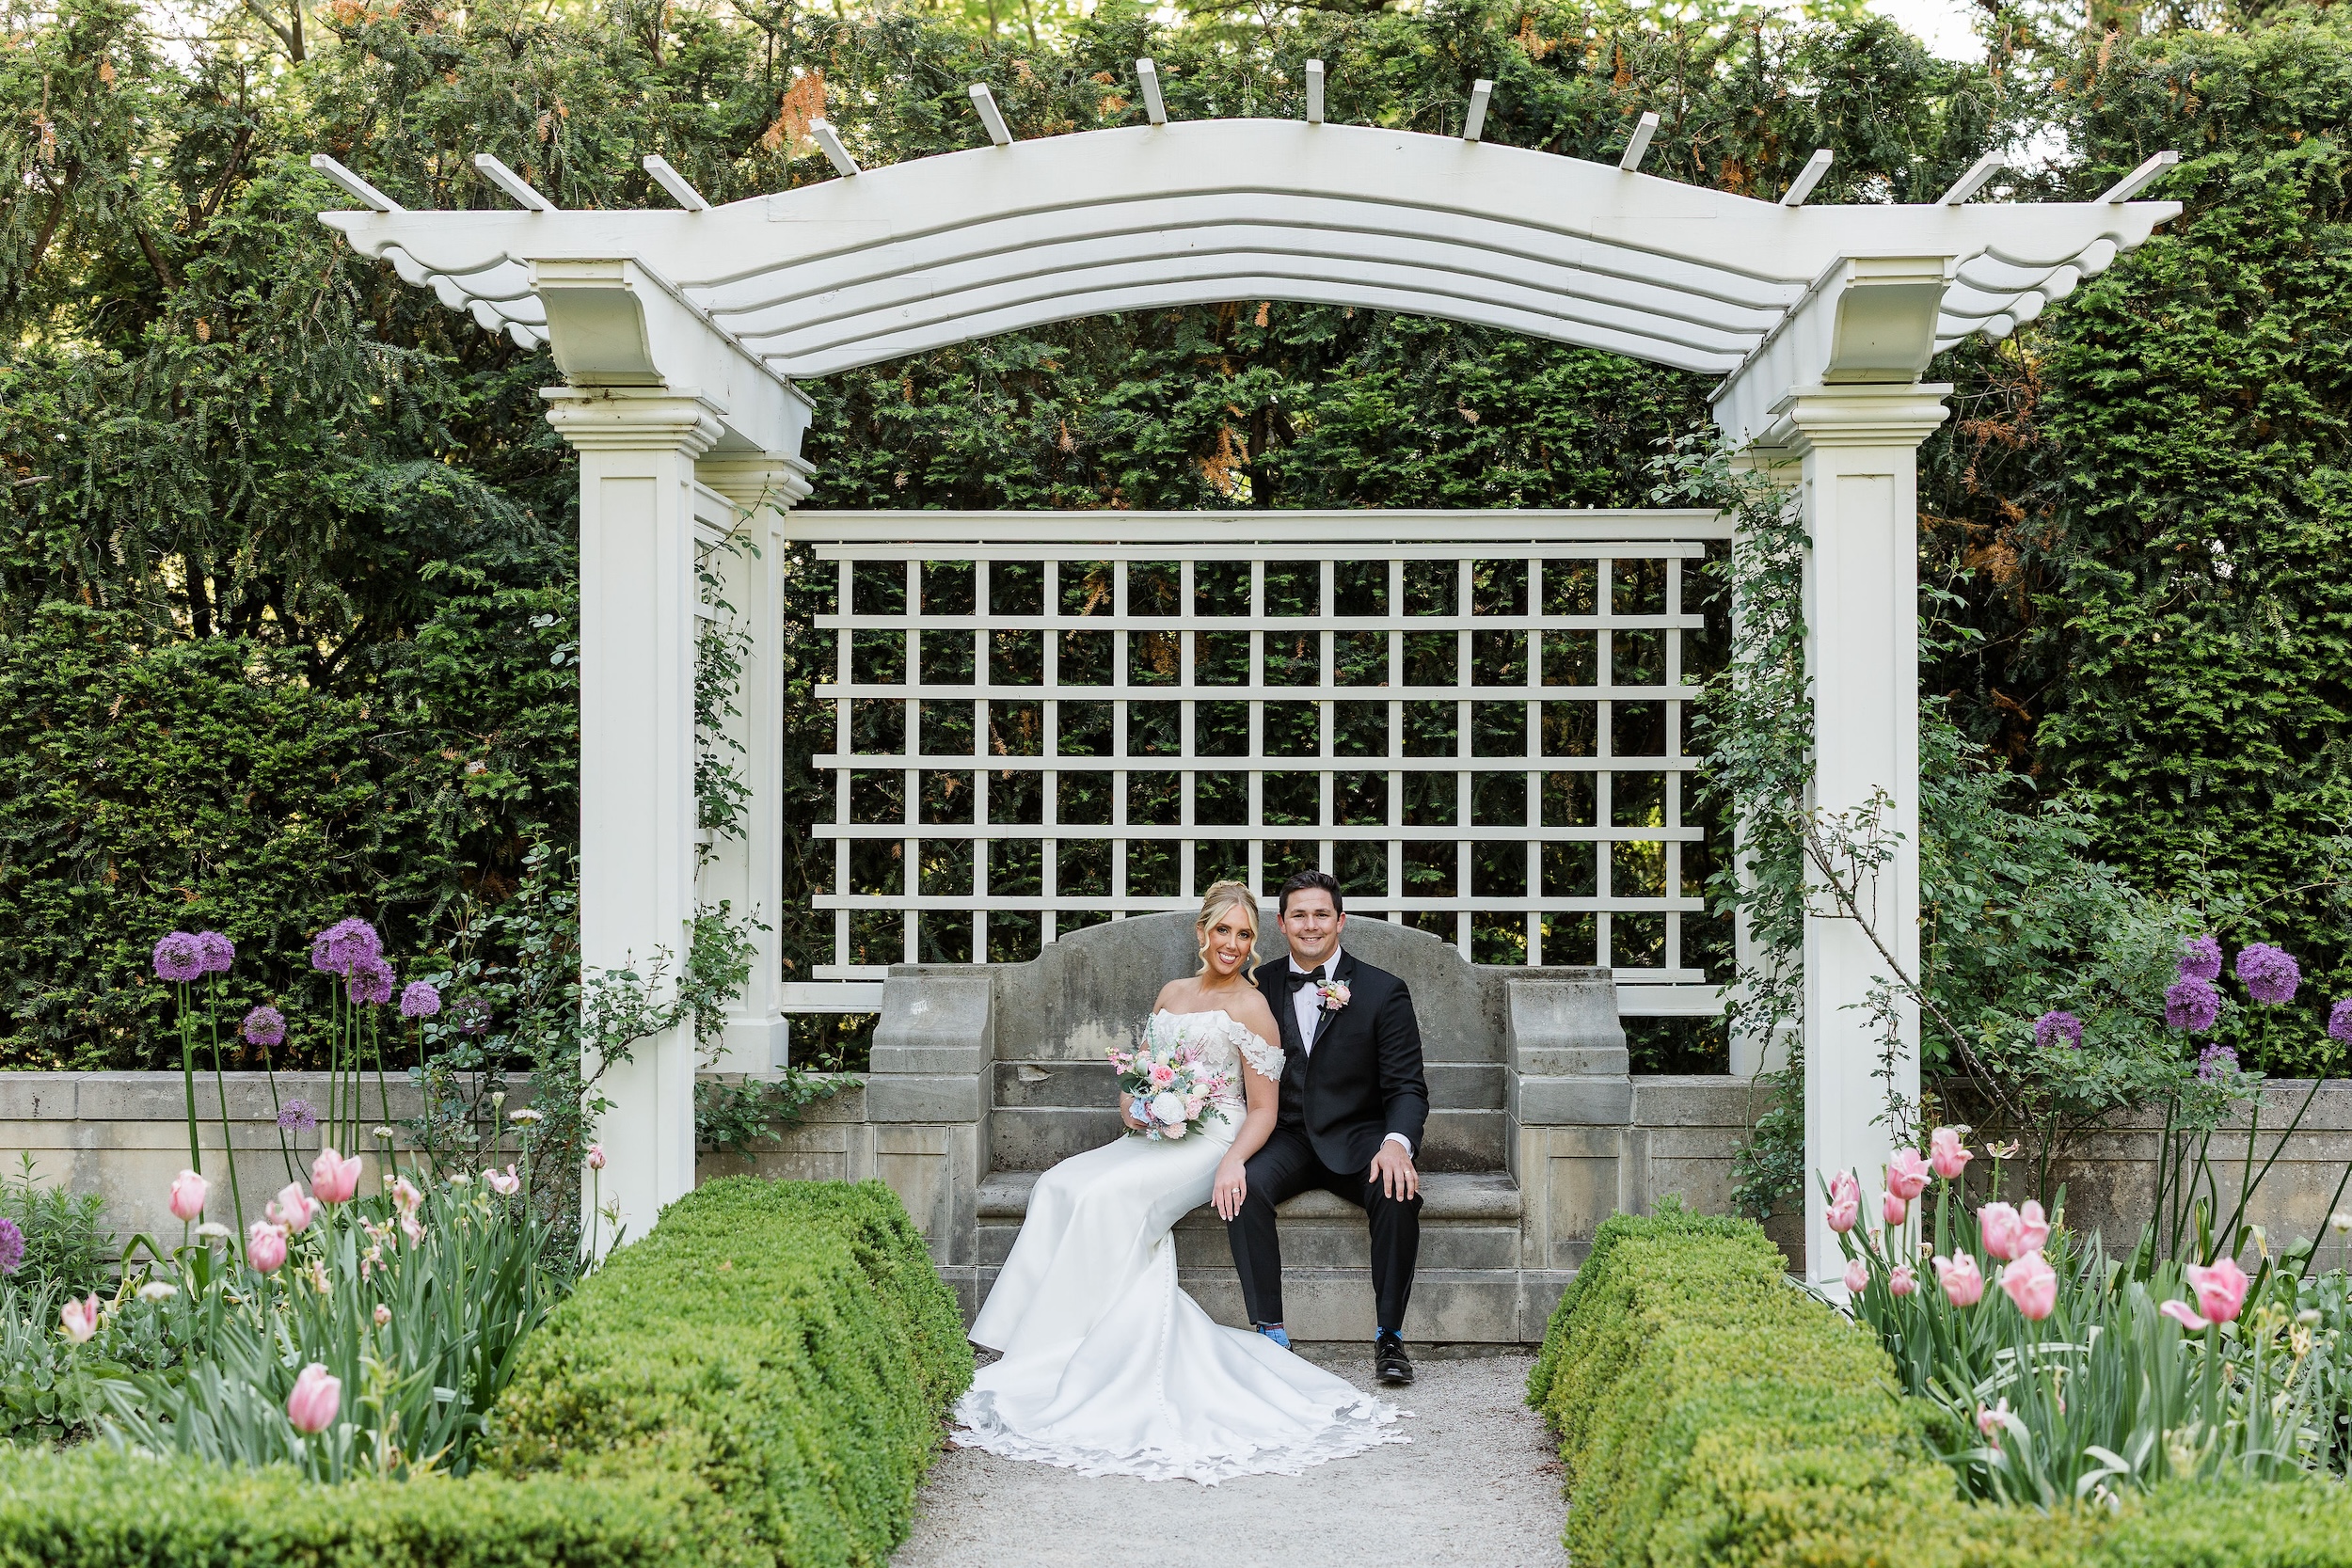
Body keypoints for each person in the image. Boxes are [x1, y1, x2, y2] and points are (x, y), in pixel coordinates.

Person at [954, 880, 1407, 1483]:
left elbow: (1273, 1105)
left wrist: (1235, 1160)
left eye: (1244, 935)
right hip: (1158, 1135)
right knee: (1059, 1184)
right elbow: (1141, 1075)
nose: (1234, 943)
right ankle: (1030, 1336)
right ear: (1203, 933)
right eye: (1225, 930)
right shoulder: (1176, 992)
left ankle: (1075, 1348)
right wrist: (1142, 1106)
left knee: (1107, 1196)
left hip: (1226, 1138)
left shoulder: (1266, 1000)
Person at [1227, 869, 1429, 1386]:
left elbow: (1407, 1088)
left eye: (1321, 914)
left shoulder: (1385, 992)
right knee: (1241, 1189)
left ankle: (1390, 1337)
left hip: (1360, 1138)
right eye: (1299, 915)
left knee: (1398, 1190)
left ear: (1340, 921)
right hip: (1286, 1136)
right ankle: (1270, 1333)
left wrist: (1396, 1144)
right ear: (1281, 923)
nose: (1310, 925)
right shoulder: (1256, 986)